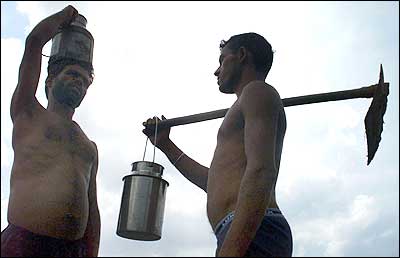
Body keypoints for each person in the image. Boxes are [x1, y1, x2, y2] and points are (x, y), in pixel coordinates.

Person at [143, 32, 292, 257]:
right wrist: (166, 145)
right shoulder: (244, 103)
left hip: (255, 229)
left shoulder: (257, 91)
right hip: (241, 231)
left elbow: (262, 171)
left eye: (222, 60)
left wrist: (231, 250)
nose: (216, 70)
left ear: (241, 55)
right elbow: (211, 182)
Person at [1, 5, 100, 257]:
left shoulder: (89, 146)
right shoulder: (28, 113)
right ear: (50, 80)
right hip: (24, 243)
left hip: (71, 250)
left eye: (84, 80)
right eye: (72, 74)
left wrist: (91, 252)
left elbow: (93, 208)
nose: (80, 81)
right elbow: (34, 43)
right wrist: (65, 17)